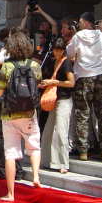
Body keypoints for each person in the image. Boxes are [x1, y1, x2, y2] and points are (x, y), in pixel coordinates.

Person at [0, 29, 42, 201]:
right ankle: (35, 176)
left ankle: (11, 193)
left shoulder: (7, 67)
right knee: (34, 146)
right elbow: (37, 85)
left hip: (9, 114)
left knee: (10, 153)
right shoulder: (35, 65)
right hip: (29, 113)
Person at [67, 12, 102, 161]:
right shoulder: (101, 35)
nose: (79, 25)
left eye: (80, 22)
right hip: (101, 75)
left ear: (86, 23)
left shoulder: (78, 36)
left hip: (83, 76)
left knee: (82, 114)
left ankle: (83, 151)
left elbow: (70, 53)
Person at [40, 38, 75, 173]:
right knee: (48, 131)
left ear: (63, 50)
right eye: (55, 50)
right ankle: (47, 161)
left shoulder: (66, 62)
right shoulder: (52, 62)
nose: (57, 52)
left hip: (64, 99)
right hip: (54, 99)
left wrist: (54, 82)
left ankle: (64, 164)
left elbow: (71, 83)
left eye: (59, 50)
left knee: (61, 132)